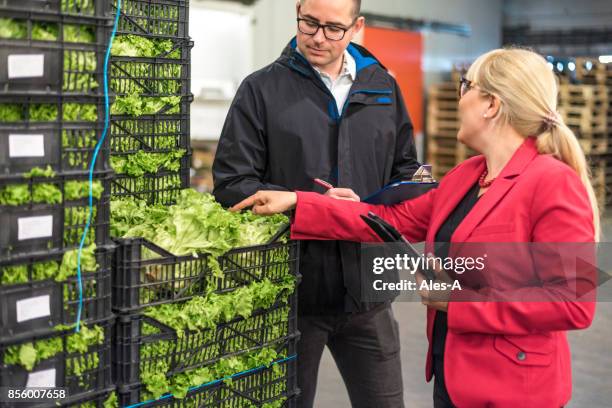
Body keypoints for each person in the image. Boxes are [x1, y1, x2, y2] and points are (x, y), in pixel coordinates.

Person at [230, 48, 599, 408]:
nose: (460, 99)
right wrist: (300, 202)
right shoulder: (466, 177)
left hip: (512, 387)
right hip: (452, 373)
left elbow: (573, 301)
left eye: (465, 87)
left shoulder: (553, 182)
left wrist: (458, 303)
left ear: (491, 104)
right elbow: (389, 222)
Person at [212, 0, 420, 406]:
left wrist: (374, 202)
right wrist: (310, 205)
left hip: (369, 292)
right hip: (292, 293)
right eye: (309, 23)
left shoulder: (382, 88)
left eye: (333, 28)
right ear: (298, 12)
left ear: (356, 26)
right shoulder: (262, 89)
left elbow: (406, 172)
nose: (318, 37)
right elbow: (232, 186)